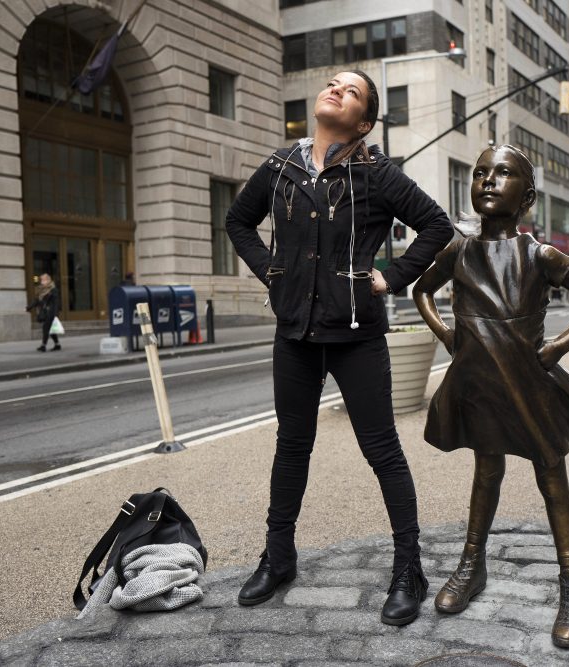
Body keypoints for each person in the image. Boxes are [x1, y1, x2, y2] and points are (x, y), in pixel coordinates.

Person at [225, 70, 454, 625]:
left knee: (382, 451)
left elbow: (436, 225)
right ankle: (278, 557)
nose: (336, 91)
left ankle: (409, 570)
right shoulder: (281, 167)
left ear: (365, 121)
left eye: (351, 92)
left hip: (356, 336)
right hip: (294, 337)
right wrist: (272, 273)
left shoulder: (376, 175)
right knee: (291, 448)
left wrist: (389, 278)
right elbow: (237, 222)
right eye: (333, 84)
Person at [412, 145, 569, 649]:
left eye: (501, 174)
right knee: (486, 470)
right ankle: (471, 563)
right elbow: (422, 291)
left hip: (529, 383)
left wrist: (556, 349)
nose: (486, 180)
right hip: (478, 382)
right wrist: (447, 335)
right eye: (481, 173)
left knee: (551, 476)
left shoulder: (539, 254)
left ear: (525, 196)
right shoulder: (459, 250)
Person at [26, 273, 61, 352]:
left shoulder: (53, 290)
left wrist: (55, 314)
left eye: (44, 280)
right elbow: (37, 300)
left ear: (48, 280)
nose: (42, 281)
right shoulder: (42, 290)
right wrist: (29, 307)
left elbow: (55, 303)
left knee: (46, 328)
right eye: (41, 280)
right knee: (50, 329)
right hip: (45, 312)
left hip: (51, 312)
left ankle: (43, 345)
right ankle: (57, 344)